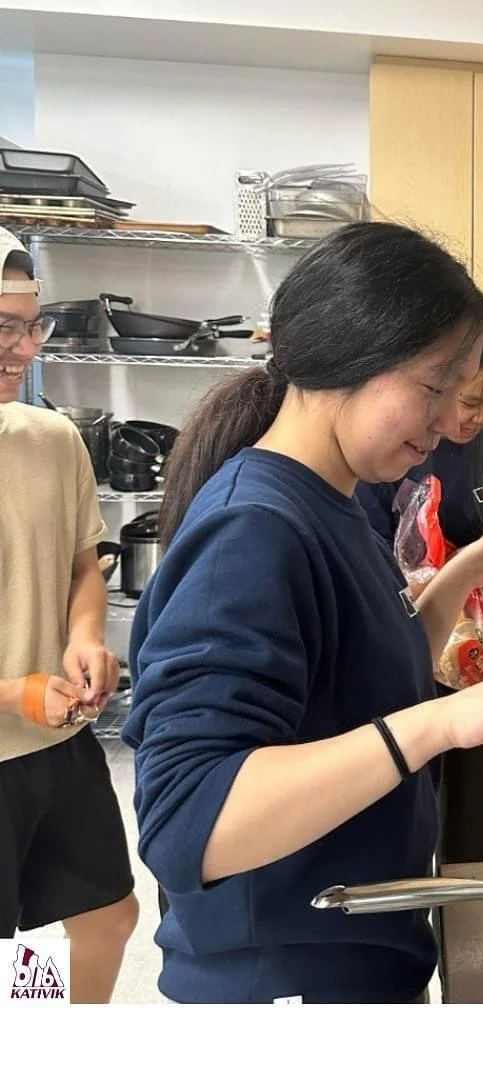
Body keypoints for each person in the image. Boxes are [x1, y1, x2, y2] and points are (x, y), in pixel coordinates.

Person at [121, 221, 483, 1005]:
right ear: (347, 357)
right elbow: (187, 823)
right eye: (436, 387)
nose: (449, 419)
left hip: (356, 952)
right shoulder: (254, 529)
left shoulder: (333, 498)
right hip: (283, 985)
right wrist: (442, 723)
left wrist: (471, 568)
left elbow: (372, 669)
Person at [355, 329, 483, 865]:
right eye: (472, 400)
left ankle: (461, 905)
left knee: (473, 820)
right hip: (413, 655)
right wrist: (457, 567)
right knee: (407, 815)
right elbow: (373, 575)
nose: (482, 417)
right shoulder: (392, 452)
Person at [0, 227, 139, 1003]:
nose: (23, 349)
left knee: (108, 916)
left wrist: (85, 636)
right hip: (15, 722)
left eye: (33, 326)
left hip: (56, 741)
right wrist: (16, 693)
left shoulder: (52, 439)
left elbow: (85, 566)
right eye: (4, 327)